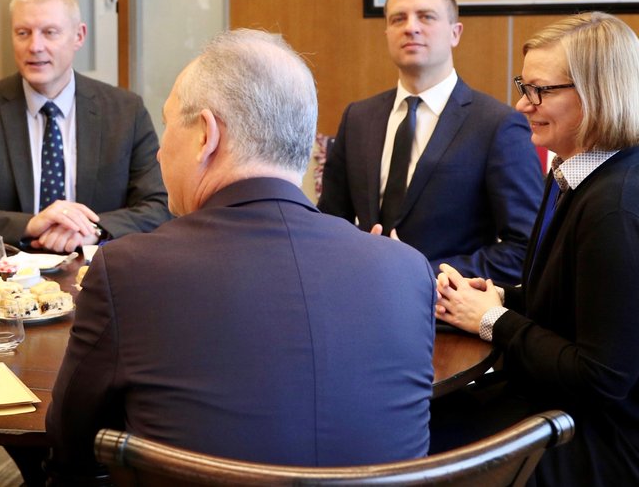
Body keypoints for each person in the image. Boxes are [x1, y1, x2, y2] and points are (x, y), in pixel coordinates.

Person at [46, 29, 436, 483]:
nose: (159, 151)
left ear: (206, 135)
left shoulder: (128, 270)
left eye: (168, 125)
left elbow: (69, 440)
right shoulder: (407, 268)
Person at [434, 12, 639, 486]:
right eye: (523, 86)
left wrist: (493, 320)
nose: (522, 104)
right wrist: (501, 298)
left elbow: (603, 377)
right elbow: (573, 305)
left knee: (417, 444)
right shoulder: (570, 171)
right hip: (555, 406)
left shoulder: (615, 209)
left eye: (539, 90)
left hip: (599, 440)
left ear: (597, 95)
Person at [318, 0, 542, 284]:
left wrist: (421, 272)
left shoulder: (496, 124)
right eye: (398, 18)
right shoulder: (358, 118)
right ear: (387, 33)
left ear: (455, 33)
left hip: (444, 306)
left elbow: (527, 249)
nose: (410, 27)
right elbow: (329, 225)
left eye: (426, 16)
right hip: (362, 296)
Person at [0, 0, 169, 253]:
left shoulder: (125, 112)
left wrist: (93, 231)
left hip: (99, 268)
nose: (35, 46)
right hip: (5, 272)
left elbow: (161, 205)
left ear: (79, 36)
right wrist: (29, 225)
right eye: (23, 33)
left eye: (50, 32)